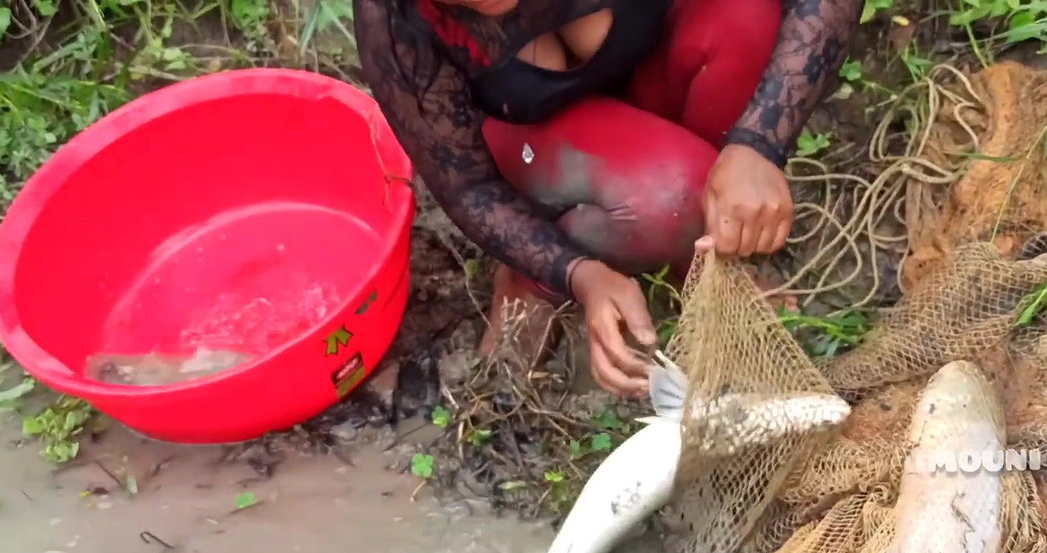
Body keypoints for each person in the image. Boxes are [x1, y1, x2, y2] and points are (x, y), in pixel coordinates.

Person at [353, 0, 862, 398]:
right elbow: (466, 185)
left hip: (648, 62)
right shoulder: (396, 16)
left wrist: (758, 144)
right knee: (672, 196)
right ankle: (532, 273)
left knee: (742, 17)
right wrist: (578, 273)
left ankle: (704, 256)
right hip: (526, 132)